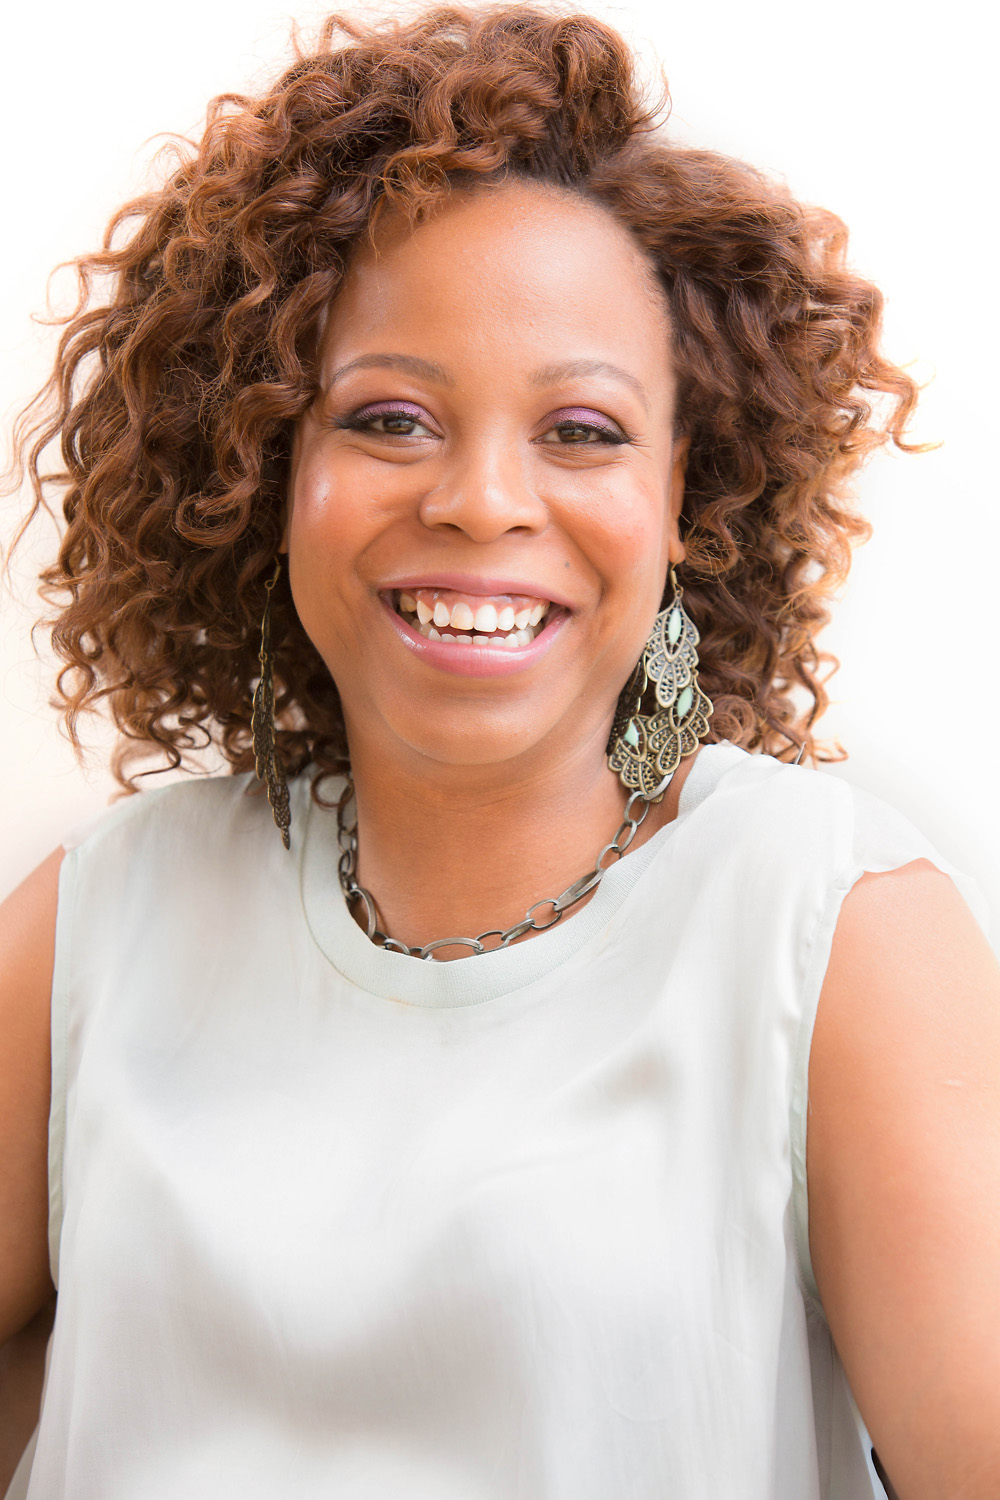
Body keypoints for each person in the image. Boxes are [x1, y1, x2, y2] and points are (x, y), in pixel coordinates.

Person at [1, 4, 998, 1497]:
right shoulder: (99, 919)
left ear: (685, 496)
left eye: (582, 431)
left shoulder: (830, 929)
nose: (480, 501)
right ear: (270, 470)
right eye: (390, 417)